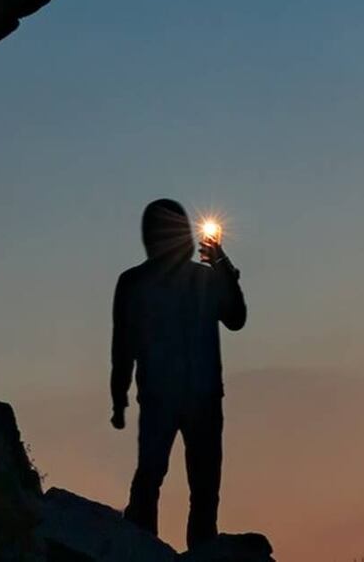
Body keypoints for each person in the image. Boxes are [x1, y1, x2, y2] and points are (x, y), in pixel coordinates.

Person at [110, 198, 247, 549]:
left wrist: (223, 266)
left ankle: (165, 550)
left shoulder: (188, 279)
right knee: (159, 483)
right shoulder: (136, 282)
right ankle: (146, 549)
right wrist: (119, 394)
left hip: (190, 395)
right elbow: (123, 343)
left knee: (194, 488)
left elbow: (235, 318)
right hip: (175, 395)